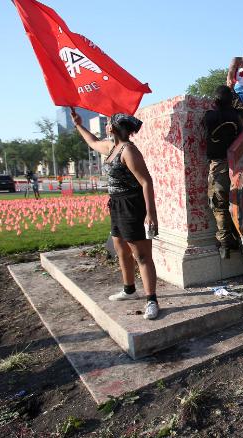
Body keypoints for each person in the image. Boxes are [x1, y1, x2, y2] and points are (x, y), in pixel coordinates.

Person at [71, 108, 160, 320]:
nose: (105, 127)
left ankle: (152, 301)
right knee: (121, 250)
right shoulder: (112, 147)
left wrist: (151, 213)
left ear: (112, 128)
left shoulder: (128, 151)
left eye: (108, 124)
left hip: (132, 206)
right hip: (117, 205)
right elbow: (92, 142)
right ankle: (129, 290)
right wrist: (78, 125)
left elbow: (146, 182)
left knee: (142, 255)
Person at [203, 85, 243, 259]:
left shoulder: (210, 116)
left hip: (218, 166)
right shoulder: (237, 116)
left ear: (215, 101)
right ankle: (238, 240)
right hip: (237, 166)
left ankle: (225, 243)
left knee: (219, 205)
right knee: (237, 203)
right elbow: (241, 109)